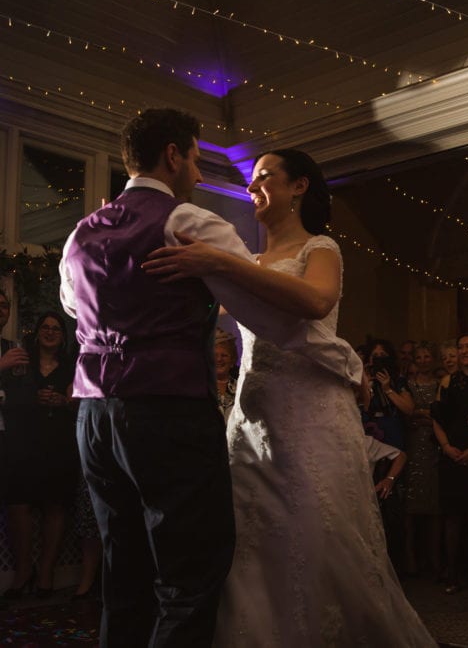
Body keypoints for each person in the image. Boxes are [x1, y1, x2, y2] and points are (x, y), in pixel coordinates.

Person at [141, 146, 435, 646]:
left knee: (316, 535)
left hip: (312, 414)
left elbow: (315, 302)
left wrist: (220, 262)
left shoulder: (321, 249)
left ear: (299, 186)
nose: (253, 186)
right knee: (249, 541)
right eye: (251, 180)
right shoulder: (244, 263)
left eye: (264, 177)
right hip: (253, 416)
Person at [59, 108, 319, 646]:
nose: (199, 176)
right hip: (166, 410)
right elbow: (268, 316)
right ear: (173, 155)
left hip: (93, 416)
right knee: (190, 573)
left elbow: (72, 306)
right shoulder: (188, 223)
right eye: (197, 161)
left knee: (122, 570)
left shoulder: (80, 233)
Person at [1, 312, 76, 601]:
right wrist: (33, 399)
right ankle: (22, 572)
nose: (49, 332)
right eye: (45, 327)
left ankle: (46, 573)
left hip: (58, 443)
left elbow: (81, 403)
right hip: (22, 442)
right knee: (18, 505)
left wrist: (63, 402)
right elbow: (4, 397)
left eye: (55, 328)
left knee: (54, 505)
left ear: (63, 334)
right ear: (37, 332)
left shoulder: (71, 367)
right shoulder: (21, 362)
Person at [432, 333, 468, 594]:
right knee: (452, 513)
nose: (464, 351)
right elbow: (437, 418)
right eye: (460, 347)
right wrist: (445, 447)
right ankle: (452, 570)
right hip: (451, 450)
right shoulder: (448, 380)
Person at [402, 342, 442, 576]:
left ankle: (435, 559)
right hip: (413, 446)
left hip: (433, 445)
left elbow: (437, 415)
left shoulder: (440, 384)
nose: (425, 360)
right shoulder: (407, 385)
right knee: (410, 505)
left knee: (434, 504)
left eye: (428, 356)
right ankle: (410, 558)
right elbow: (406, 415)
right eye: (420, 357)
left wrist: (421, 414)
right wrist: (419, 414)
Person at [364, 338, 414, 449]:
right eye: (375, 355)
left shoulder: (397, 379)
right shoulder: (363, 380)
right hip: (370, 430)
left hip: (392, 428)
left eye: (382, 355)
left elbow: (409, 409)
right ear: (369, 359)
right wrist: (365, 385)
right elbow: (362, 408)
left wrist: (387, 389)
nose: (378, 358)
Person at [214, 330, 238, 421]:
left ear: (232, 361)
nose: (219, 359)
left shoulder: (241, 388)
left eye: (224, 355)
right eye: (214, 355)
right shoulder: (200, 388)